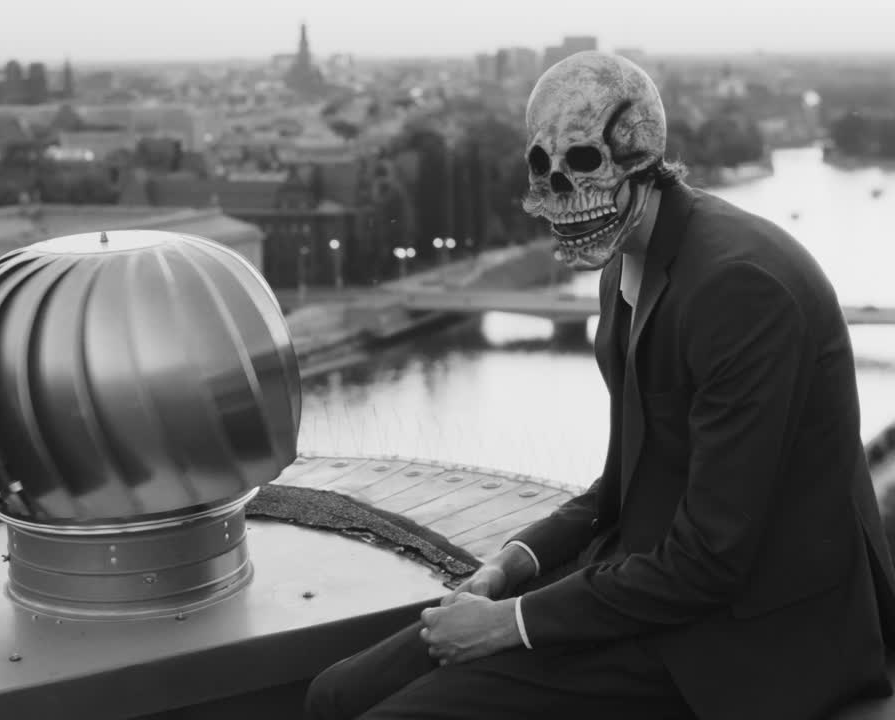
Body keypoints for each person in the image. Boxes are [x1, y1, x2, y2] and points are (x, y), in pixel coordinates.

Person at [304, 51, 895, 720]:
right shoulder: (624, 266)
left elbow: (710, 562)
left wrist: (509, 624)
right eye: (542, 170)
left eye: (582, 164)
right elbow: (621, 486)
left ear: (640, 157)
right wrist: (512, 565)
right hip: (650, 585)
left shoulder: (741, 290)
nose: (559, 192)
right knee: (335, 694)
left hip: (751, 634)